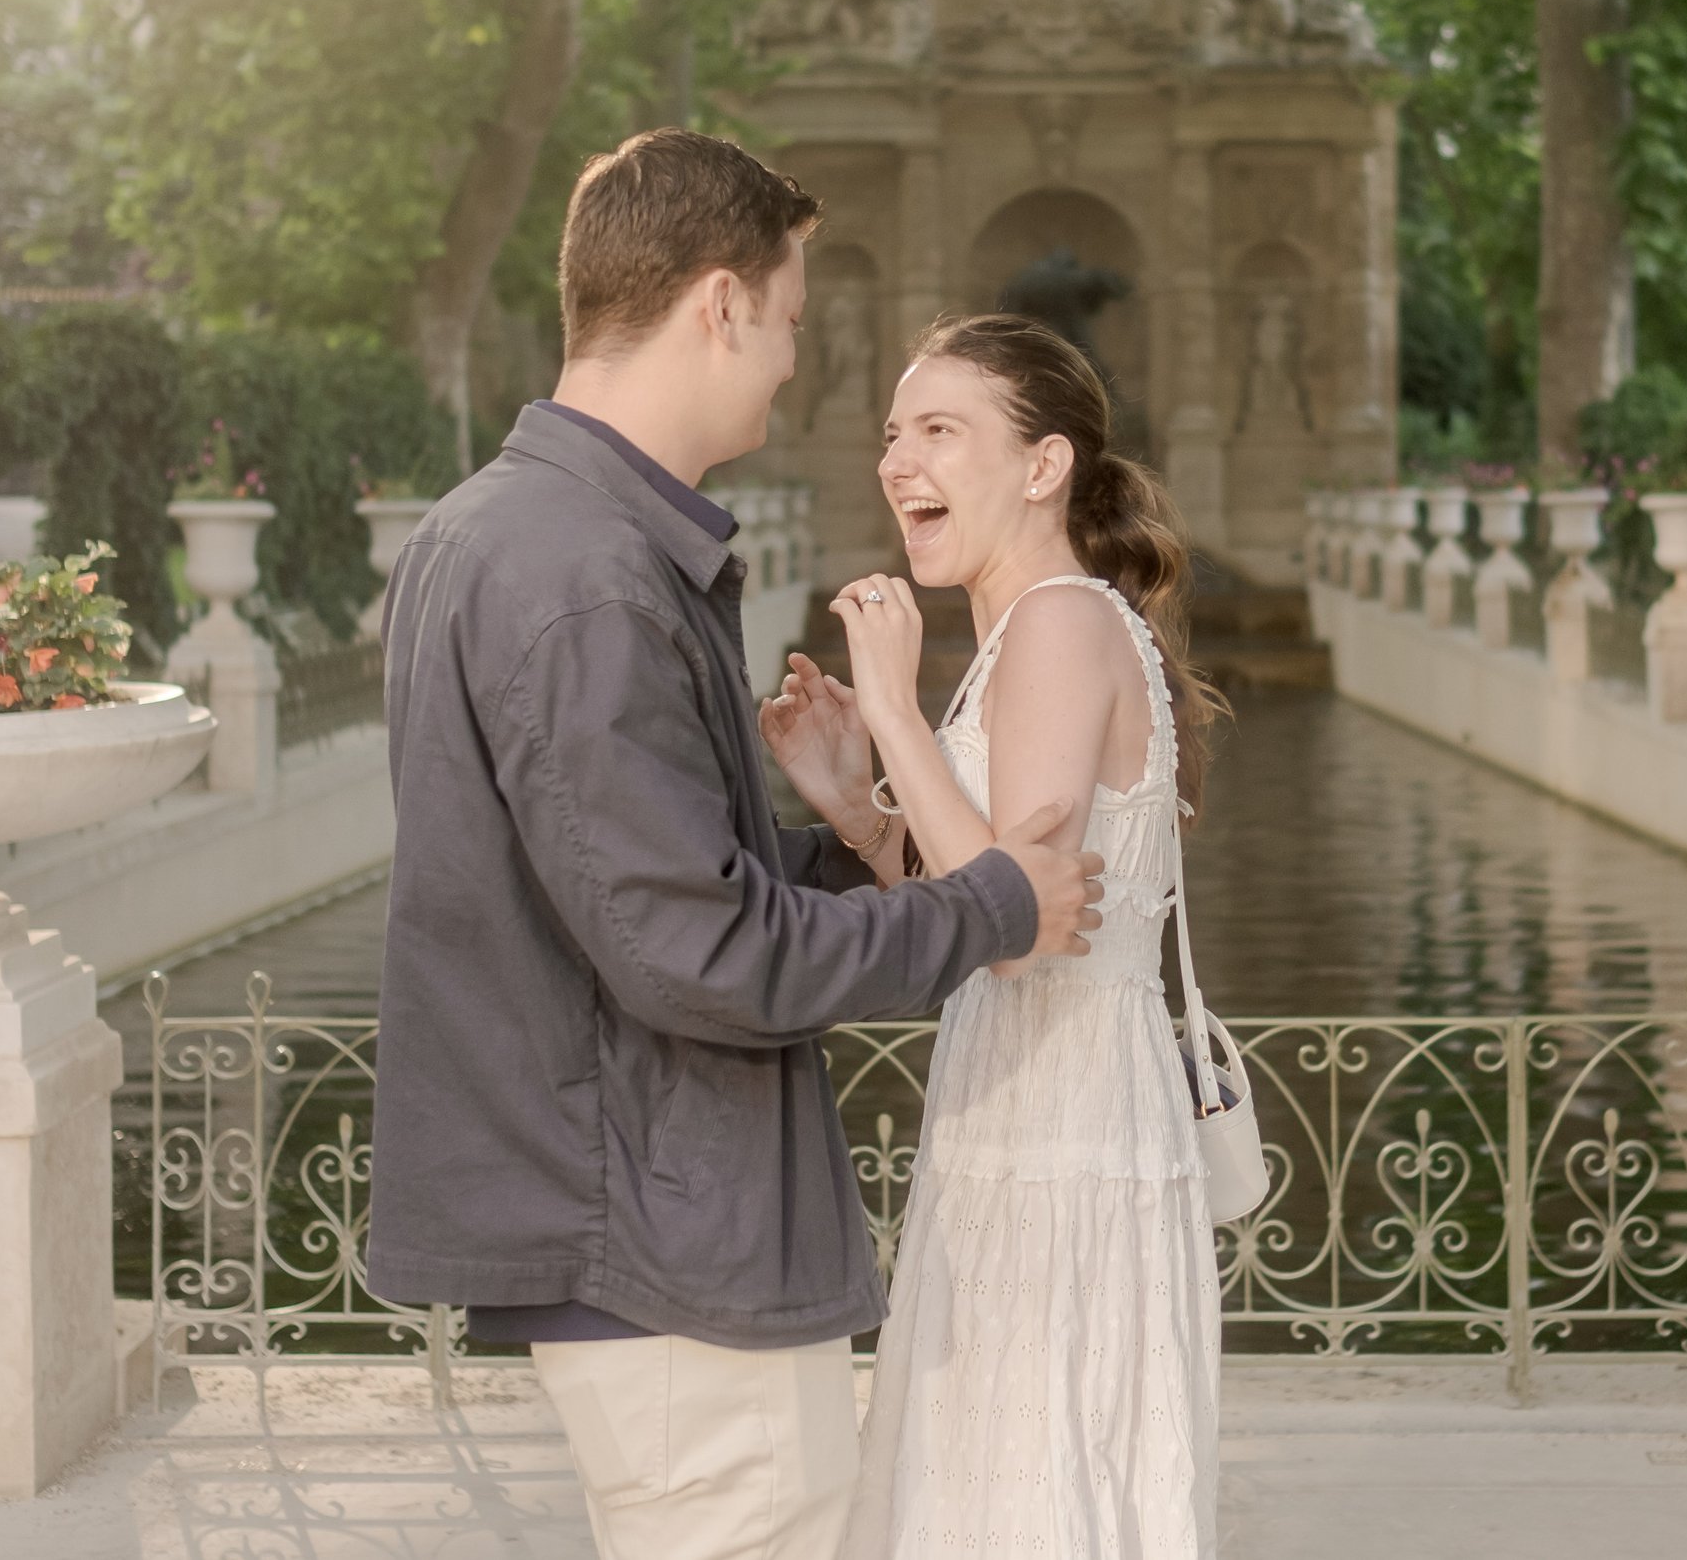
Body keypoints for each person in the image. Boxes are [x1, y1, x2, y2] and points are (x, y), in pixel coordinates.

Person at [366, 132, 1107, 1560]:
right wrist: (993, 905)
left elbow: (625, 884)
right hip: (668, 1243)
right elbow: (696, 951)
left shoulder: (517, 535)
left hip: (644, 1222)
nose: (788, 361)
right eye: (787, 321)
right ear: (718, 304)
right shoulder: (578, 573)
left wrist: (840, 843)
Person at [763, 312, 1233, 1555]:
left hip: (1065, 1115)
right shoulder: (1032, 631)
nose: (897, 459)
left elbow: (1020, 931)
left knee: (1026, 1485)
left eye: (938, 430)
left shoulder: (1061, 623)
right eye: (891, 432)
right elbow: (981, 886)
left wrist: (894, 711)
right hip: (1031, 1103)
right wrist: (859, 805)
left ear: (1041, 466)